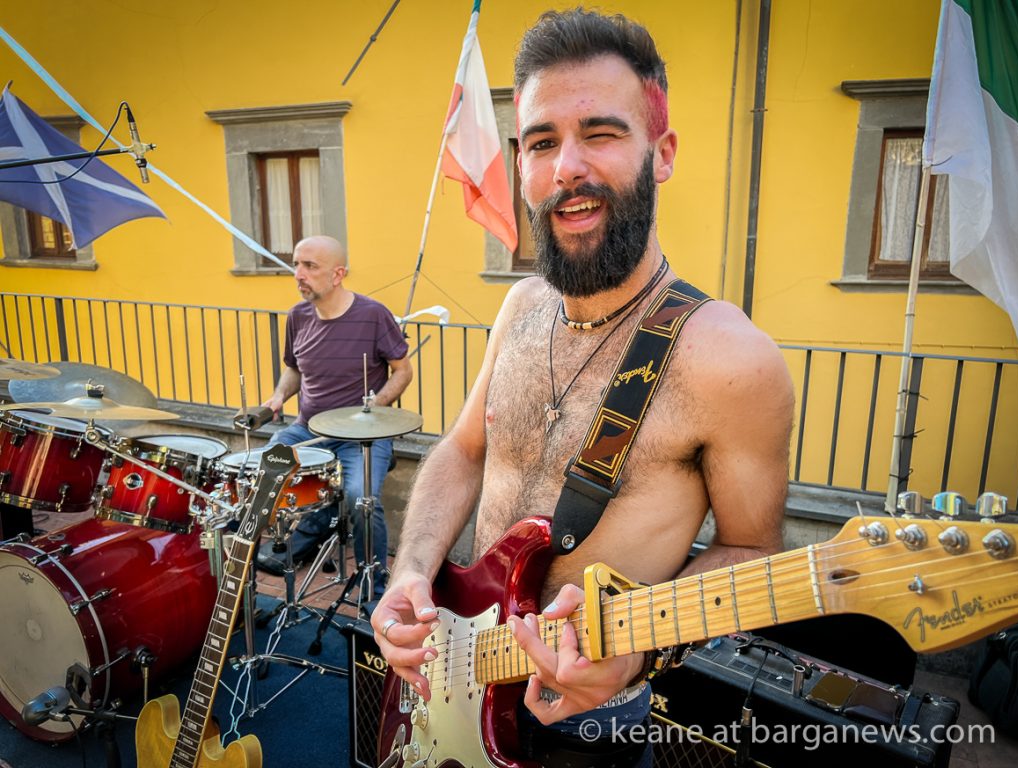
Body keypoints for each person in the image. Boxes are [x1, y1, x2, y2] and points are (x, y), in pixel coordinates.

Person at [371, 9, 794, 768]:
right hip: (447, 682)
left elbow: (750, 550)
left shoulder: (730, 360)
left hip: (587, 723)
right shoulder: (520, 307)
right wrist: (411, 572)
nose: (566, 166)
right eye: (541, 142)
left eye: (600, 133)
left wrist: (632, 654)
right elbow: (465, 451)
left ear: (661, 155)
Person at [256, 235, 412, 605]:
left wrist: (377, 403)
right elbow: (294, 370)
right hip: (308, 429)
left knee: (362, 498)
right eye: (296, 264)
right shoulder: (298, 316)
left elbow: (403, 371)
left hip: (362, 436)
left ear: (338, 274)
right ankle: (246, 572)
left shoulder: (373, 314)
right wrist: (279, 396)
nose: (299, 274)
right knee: (260, 470)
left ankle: (374, 589)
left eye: (310, 266)